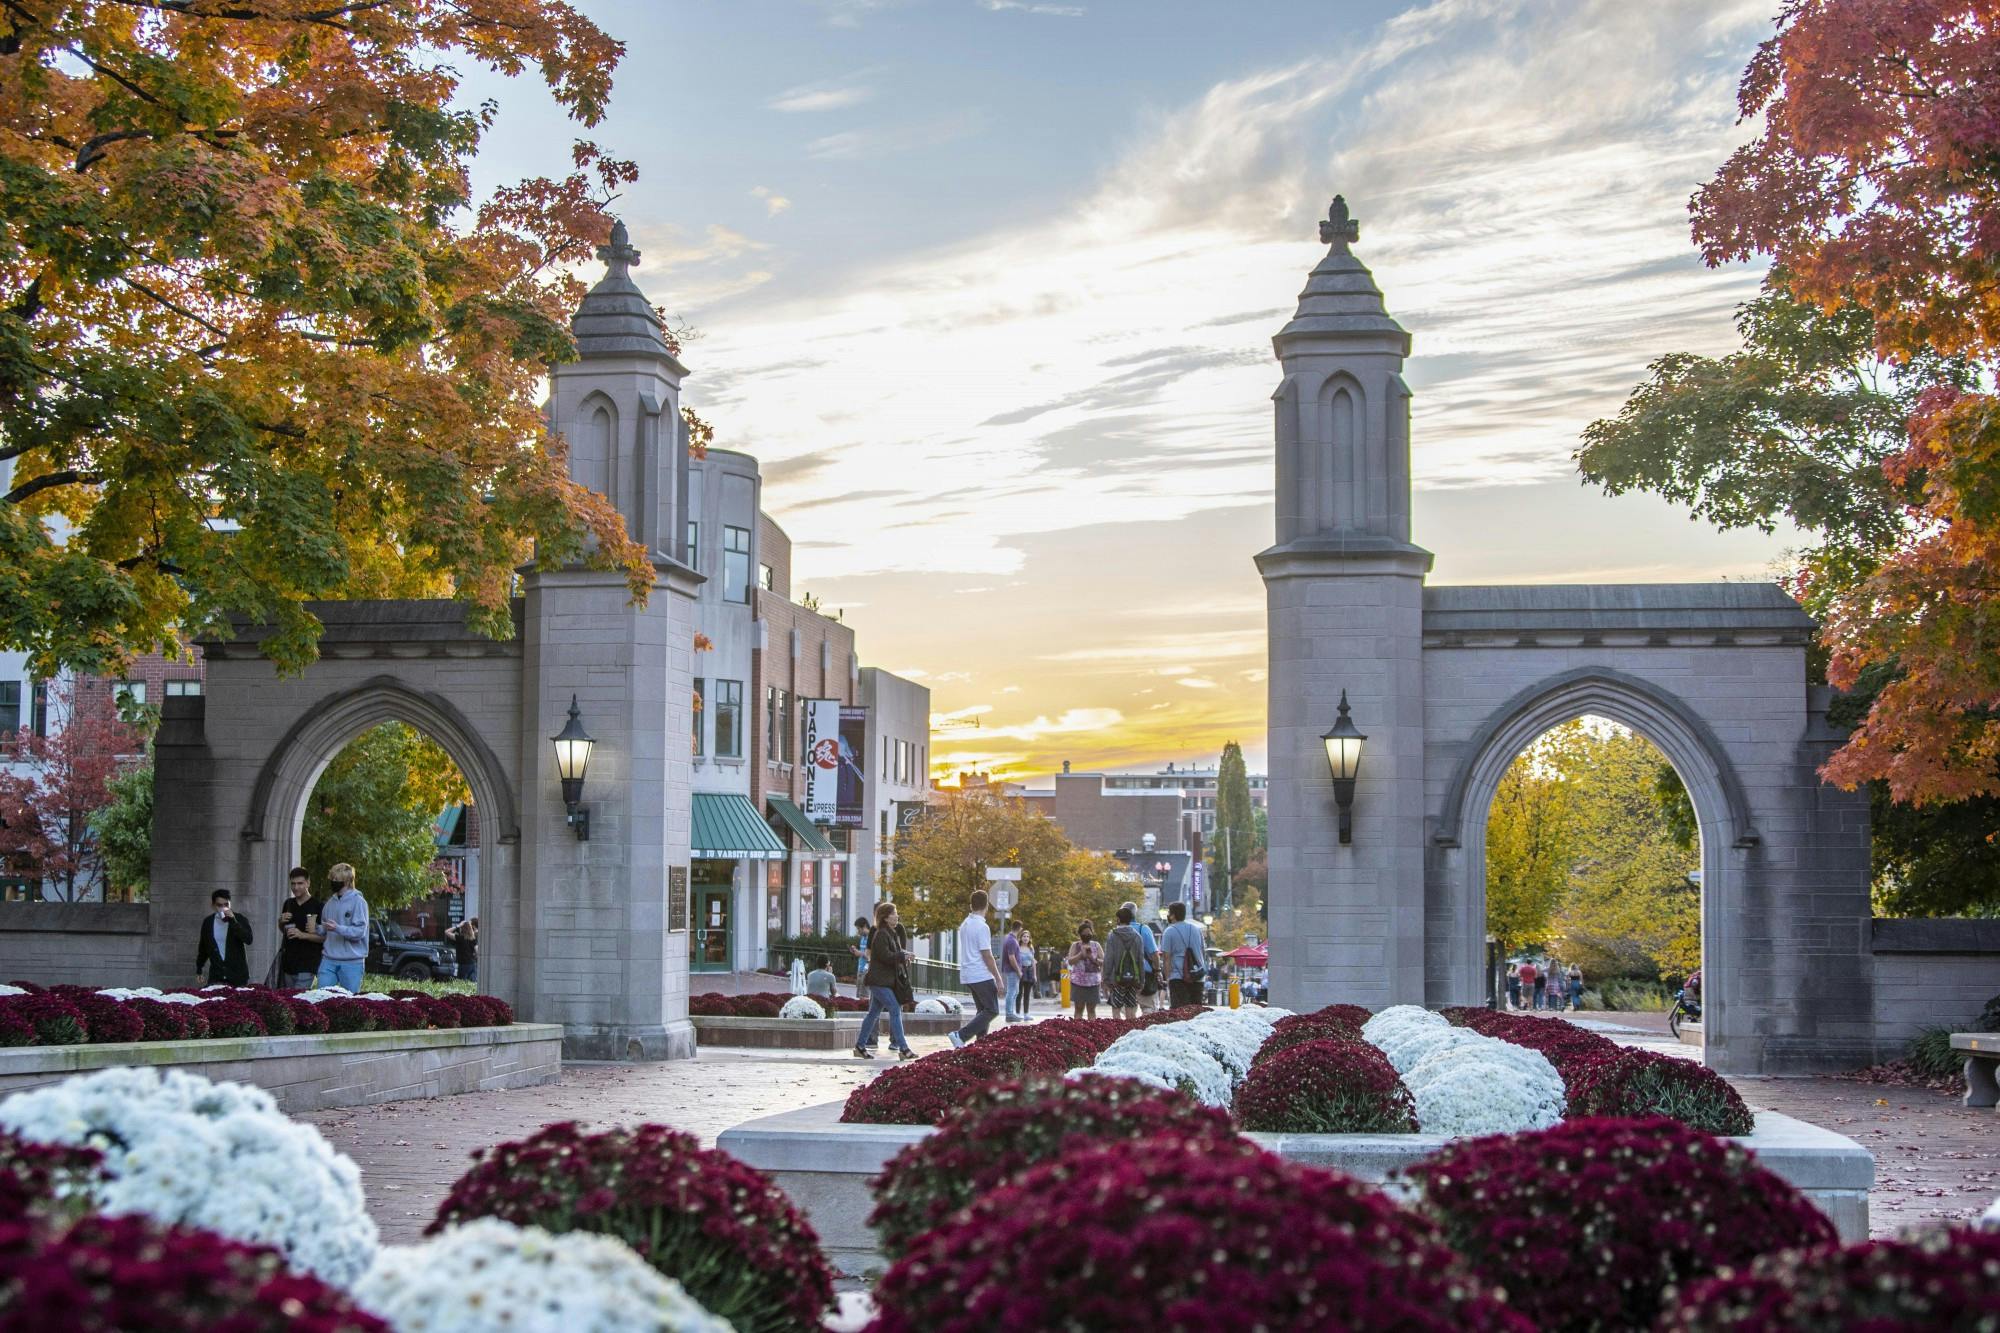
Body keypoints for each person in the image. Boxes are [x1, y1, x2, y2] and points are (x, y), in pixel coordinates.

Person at [854, 901, 918, 1060]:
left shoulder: (891, 933)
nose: (897, 916)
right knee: (895, 1009)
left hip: (884, 981)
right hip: (879, 981)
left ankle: (860, 1046)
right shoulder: (881, 934)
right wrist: (902, 956)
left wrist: (905, 956)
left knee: (873, 1013)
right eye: (894, 913)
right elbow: (885, 956)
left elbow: (895, 954)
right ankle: (903, 1049)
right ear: (886, 917)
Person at [948, 890, 1002, 1048]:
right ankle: (961, 1035)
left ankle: (981, 1046)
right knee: (992, 1010)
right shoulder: (982, 926)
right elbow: (986, 954)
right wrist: (998, 979)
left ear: (971, 905)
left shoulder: (965, 924)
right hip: (981, 973)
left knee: (982, 1012)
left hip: (968, 973)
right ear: (987, 905)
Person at [315, 862, 369, 992]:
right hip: (329, 959)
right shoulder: (329, 903)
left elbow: (360, 932)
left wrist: (337, 928)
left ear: (347, 881)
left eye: (336, 879)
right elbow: (324, 930)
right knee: (321, 997)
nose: (333, 882)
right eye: (332, 879)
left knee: (350, 1002)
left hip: (352, 961)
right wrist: (317, 928)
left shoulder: (358, 902)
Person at [276, 868, 323, 989]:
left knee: (299, 999)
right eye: (293, 883)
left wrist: (302, 935)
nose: (296, 887)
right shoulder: (288, 903)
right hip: (288, 962)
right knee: (287, 1000)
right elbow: (284, 930)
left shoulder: (318, 906)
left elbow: (324, 938)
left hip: (308, 963)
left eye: (300, 883)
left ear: (308, 883)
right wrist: (281, 922)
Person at [196, 888, 253, 985]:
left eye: (226, 904)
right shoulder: (208, 922)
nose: (223, 908)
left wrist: (234, 921)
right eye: (219, 905)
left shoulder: (239, 919)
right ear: (213, 906)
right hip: (217, 975)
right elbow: (203, 948)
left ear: (230, 904)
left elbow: (248, 939)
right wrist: (199, 969)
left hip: (237, 976)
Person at [1103, 906, 1149, 1020]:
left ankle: (1118, 1033)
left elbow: (1109, 959)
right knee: (1131, 1010)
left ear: (1118, 919)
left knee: (1116, 1010)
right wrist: (1142, 981)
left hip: (1117, 979)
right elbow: (1140, 960)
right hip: (1133, 979)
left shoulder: (1112, 936)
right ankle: (1130, 1032)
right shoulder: (1137, 936)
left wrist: (1106, 978)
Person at [1160, 902, 1207, 1008]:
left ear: (1172, 915)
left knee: (1179, 1012)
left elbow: (1166, 958)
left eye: (1169, 913)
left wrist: (1167, 978)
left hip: (1178, 977)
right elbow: (1202, 952)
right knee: (1196, 1011)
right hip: (1197, 976)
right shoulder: (1196, 930)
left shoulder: (1169, 932)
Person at [1067, 921, 1103, 1019]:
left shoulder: (1096, 945)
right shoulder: (1075, 945)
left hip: (1094, 982)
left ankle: (1092, 1031)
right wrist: (1080, 955)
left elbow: (1103, 961)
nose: (1087, 935)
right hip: (1078, 982)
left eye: (1089, 932)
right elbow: (1070, 961)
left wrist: (1092, 957)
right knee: (1078, 1009)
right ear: (1080, 934)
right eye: (1084, 933)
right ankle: (1078, 1031)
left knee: (1091, 1010)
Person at [1000, 921, 1026, 1023]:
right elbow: (1011, 957)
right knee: (1011, 992)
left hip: (1012, 970)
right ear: (1020, 928)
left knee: (1015, 991)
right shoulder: (1011, 940)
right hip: (1012, 970)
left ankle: (1012, 1013)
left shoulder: (1011, 939)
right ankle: (1009, 1014)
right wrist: (1018, 970)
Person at [443, 916, 478, 984]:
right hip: (472, 963)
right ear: (470, 929)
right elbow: (477, 951)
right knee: (472, 983)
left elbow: (446, 932)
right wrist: (474, 957)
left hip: (463, 964)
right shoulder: (473, 939)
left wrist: (458, 925)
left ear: (462, 929)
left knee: (461, 984)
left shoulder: (460, 938)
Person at [850, 916, 872, 1000]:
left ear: (865, 926)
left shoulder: (871, 937)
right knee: (859, 994)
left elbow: (870, 956)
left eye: (859, 929)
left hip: (867, 969)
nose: (858, 931)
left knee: (864, 996)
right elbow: (863, 952)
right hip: (861, 968)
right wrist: (855, 950)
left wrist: (859, 953)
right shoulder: (862, 938)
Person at [1018, 929, 1037, 1017]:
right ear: (1021, 938)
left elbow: (1033, 962)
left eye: (1027, 937)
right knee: (1019, 993)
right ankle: (1017, 1013)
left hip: (1029, 971)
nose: (1026, 938)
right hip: (1020, 971)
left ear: (1029, 938)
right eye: (1024, 936)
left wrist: (1035, 974)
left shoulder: (1031, 948)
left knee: (1027, 994)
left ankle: (1026, 1013)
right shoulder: (1017, 947)